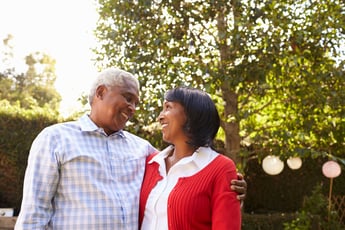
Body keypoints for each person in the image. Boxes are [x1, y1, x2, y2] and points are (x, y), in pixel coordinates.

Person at [15, 68, 246, 230]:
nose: (133, 108)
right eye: (128, 98)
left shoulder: (144, 150)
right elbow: (34, 213)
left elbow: (190, 168)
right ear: (101, 93)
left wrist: (230, 189)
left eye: (136, 102)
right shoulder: (55, 139)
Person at [139, 87, 241, 230]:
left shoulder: (221, 168)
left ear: (192, 114)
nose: (160, 117)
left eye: (168, 107)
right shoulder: (151, 163)